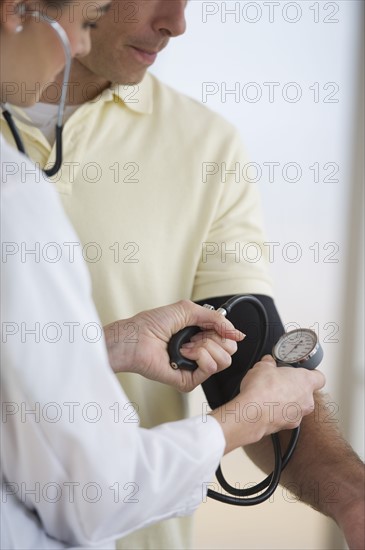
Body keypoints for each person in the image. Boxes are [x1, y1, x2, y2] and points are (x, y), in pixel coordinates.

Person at [2, 1, 364, 549]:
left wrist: (352, 496)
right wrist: (241, 421)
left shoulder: (206, 146)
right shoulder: (16, 189)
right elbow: (92, 493)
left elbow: (246, 355)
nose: (177, 22)